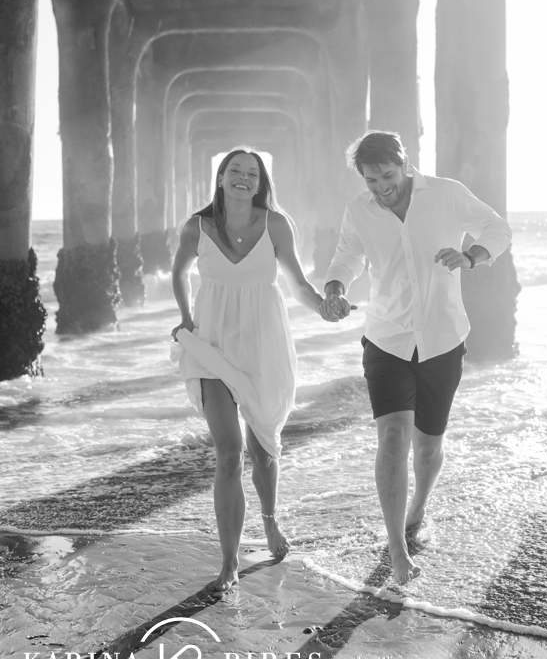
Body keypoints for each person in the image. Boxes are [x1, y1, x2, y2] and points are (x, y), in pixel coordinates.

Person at [321, 130, 511, 587]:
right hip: (386, 338)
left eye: (387, 176)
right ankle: (396, 547)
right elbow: (346, 256)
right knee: (391, 439)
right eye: (371, 181)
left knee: (428, 444)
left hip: (443, 339)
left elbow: (497, 229)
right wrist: (335, 288)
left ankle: (419, 506)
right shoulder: (358, 211)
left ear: (404, 162)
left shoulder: (445, 194)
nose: (381, 188)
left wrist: (471, 257)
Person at [170, 148, 342, 591]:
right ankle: (228, 562)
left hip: (265, 347)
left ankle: (268, 520)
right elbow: (179, 272)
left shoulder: (276, 225)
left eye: (252, 172)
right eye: (235, 171)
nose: (243, 178)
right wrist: (186, 318)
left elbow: (298, 284)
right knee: (229, 453)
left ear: (261, 181)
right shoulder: (197, 227)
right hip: (212, 347)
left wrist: (324, 307)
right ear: (221, 178)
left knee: (264, 451)